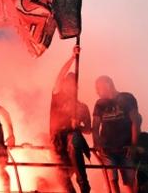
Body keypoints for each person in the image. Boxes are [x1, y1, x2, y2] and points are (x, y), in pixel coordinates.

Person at [50, 46, 91, 193]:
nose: (68, 85)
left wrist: (78, 127)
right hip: (56, 142)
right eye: (66, 82)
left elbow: (89, 129)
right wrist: (73, 57)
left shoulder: (82, 107)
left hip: (72, 143)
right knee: (63, 179)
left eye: (72, 83)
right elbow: (59, 76)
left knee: (74, 137)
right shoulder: (57, 97)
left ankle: (84, 184)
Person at [93, 75, 141, 193]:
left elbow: (136, 122)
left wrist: (133, 145)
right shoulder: (99, 104)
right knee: (112, 182)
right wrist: (97, 144)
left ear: (108, 85)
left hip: (126, 149)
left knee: (131, 183)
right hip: (107, 150)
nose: (97, 92)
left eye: (98, 88)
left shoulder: (127, 98)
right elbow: (95, 127)